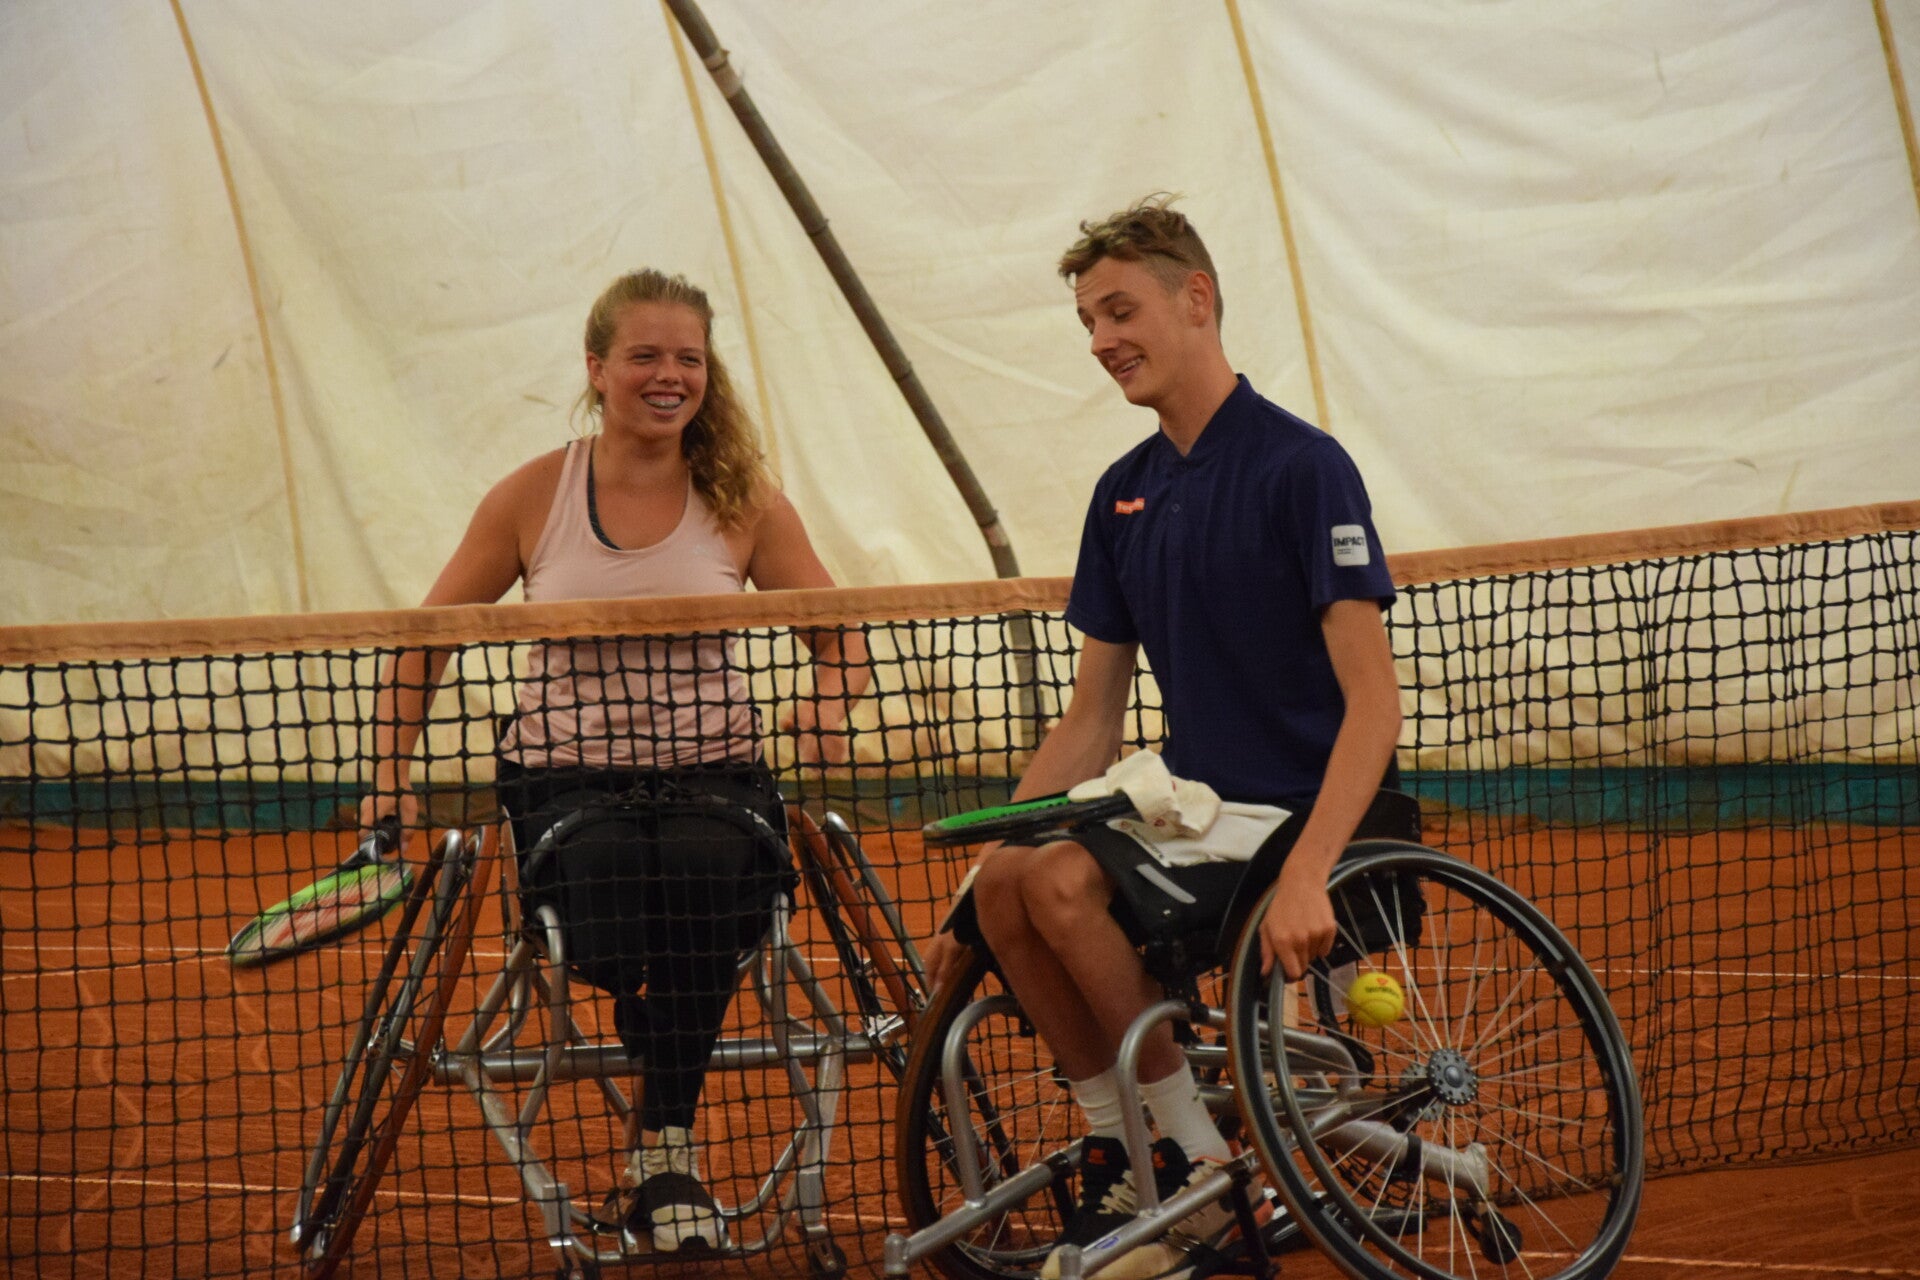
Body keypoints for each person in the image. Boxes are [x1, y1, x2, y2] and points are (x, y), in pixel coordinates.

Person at [921, 196, 1403, 1280]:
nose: (1101, 340)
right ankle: (1125, 1148)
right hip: (1194, 812)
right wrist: (975, 877)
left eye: (1119, 310)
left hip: (1303, 816)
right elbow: (1091, 718)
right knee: (1010, 882)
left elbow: (1374, 702)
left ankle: (1192, 1163)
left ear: (1197, 299)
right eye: (1088, 321)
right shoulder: (1122, 495)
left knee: (1056, 881)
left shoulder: (1305, 467)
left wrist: (1310, 872)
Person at [359, 268, 868, 1254]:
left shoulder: (747, 501)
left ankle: (664, 1145)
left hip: (716, 776)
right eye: (645, 356)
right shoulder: (533, 495)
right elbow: (425, 637)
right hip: (566, 785)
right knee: (609, 899)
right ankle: (660, 1030)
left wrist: (827, 701)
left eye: (689, 358)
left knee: (706, 877)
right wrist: (388, 772)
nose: (669, 375)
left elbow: (842, 634)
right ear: (597, 368)